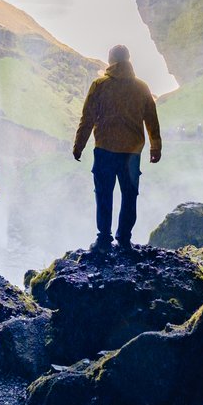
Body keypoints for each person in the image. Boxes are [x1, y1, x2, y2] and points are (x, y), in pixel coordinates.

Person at [73, 45, 162, 251]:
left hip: (105, 149)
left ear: (110, 60)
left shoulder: (99, 85)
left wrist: (79, 145)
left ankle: (104, 239)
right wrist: (155, 147)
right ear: (129, 59)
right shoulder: (141, 87)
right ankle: (124, 239)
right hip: (132, 152)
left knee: (104, 195)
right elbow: (152, 120)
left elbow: (87, 119)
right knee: (129, 196)